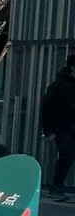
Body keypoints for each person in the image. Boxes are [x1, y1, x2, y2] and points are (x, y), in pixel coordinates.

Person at [40, 54, 75, 201]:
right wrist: (48, 130)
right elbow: (46, 107)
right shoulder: (60, 85)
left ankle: (57, 188)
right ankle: (56, 188)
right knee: (66, 155)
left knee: (67, 157)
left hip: (71, 126)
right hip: (62, 127)